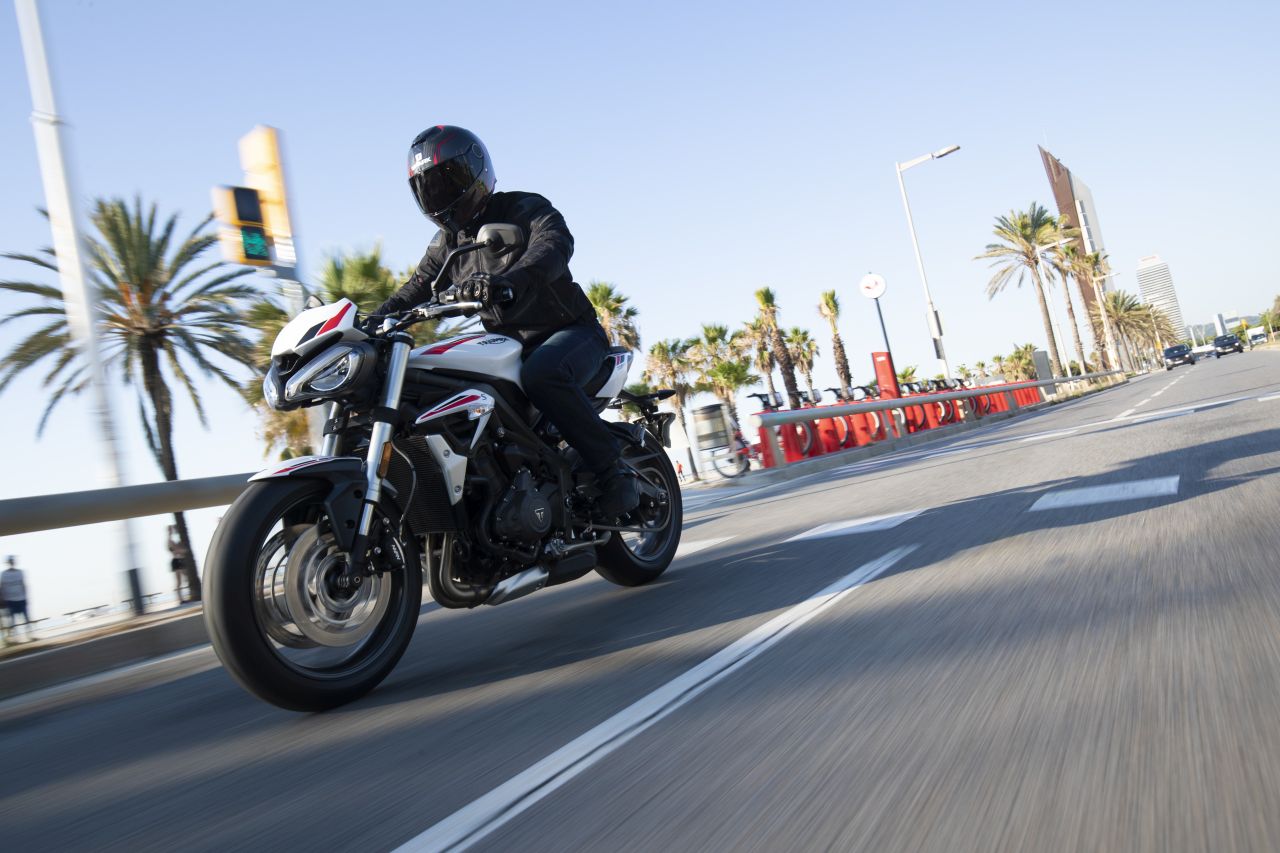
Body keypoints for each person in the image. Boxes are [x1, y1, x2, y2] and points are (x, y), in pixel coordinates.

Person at [377, 125, 638, 518]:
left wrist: (510, 282)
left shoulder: (523, 208)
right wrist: (371, 321)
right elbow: (415, 288)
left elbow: (554, 244)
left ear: (475, 172)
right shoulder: (447, 246)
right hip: (509, 349)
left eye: (447, 182)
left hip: (570, 332)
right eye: (429, 188)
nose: (439, 195)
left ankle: (613, 470)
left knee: (543, 374)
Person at [2, 556, 32, 641]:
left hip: (21, 598)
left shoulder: (20, 572)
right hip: (10, 600)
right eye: (11, 561)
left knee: (26, 618)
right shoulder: (4, 574)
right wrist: (3, 599)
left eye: (12, 561)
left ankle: (29, 635)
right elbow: (3, 586)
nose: (12, 563)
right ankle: (15, 637)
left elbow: (23, 584)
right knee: (12, 621)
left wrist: (26, 597)